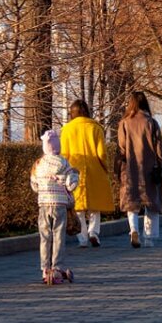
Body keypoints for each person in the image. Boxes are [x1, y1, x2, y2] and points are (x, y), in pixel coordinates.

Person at [60, 99, 114, 248]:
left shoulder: (67, 130)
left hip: (74, 171)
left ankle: (82, 239)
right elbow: (101, 153)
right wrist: (105, 168)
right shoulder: (96, 128)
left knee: (78, 207)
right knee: (95, 207)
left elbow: (64, 154)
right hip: (94, 169)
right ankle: (94, 233)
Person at [117, 91, 162, 247]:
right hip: (150, 168)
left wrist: (119, 168)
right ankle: (149, 237)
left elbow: (122, 148)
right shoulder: (151, 122)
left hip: (131, 169)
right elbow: (159, 147)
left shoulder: (124, 123)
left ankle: (134, 229)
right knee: (151, 203)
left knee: (131, 202)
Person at [32, 130, 77, 284]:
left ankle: (45, 269)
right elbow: (71, 185)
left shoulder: (38, 164)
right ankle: (57, 268)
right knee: (58, 236)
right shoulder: (65, 163)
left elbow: (34, 185)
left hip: (44, 204)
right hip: (60, 204)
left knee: (45, 237)